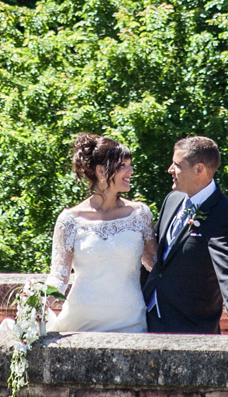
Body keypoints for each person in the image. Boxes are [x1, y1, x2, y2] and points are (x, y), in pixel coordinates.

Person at [143, 135, 228, 336]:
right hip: (147, 318)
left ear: (199, 169)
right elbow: (158, 255)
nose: (170, 170)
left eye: (177, 165)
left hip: (189, 326)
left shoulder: (224, 213)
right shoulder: (172, 199)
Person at [47, 132, 157, 335]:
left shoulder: (140, 215)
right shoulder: (69, 220)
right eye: (123, 165)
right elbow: (58, 278)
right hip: (79, 324)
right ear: (100, 171)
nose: (131, 171)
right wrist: (34, 306)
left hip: (131, 323)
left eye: (130, 165)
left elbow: (156, 266)